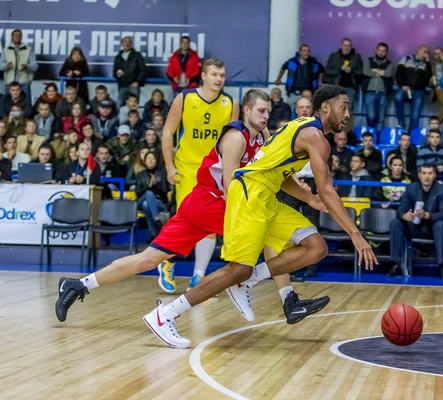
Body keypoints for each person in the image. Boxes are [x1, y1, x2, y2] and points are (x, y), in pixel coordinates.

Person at [54, 90, 326, 331]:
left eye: (268, 111)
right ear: (246, 110)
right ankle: (270, 292)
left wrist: (306, 196)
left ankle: (79, 285)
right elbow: (232, 185)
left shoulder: (264, 136)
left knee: (147, 259)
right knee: (265, 229)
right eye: (261, 111)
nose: (266, 116)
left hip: (201, 204)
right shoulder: (236, 137)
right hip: (212, 201)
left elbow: (274, 176)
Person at [138, 85, 378, 348]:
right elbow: (327, 189)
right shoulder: (315, 136)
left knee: (315, 246)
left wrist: (308, 199)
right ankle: (165, 315)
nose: (348, 114)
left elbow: (277, 173)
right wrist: (355, 234)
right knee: (237, 269)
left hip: (265, 196)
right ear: (326, 107)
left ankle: (248, 281)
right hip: (249, 194)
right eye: (343, 106)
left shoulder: (300, 126)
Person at [160, 58, 239, 293]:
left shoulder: (230, 103)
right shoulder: (185, 98)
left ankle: (198, 276)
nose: (219, 79)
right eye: (214, 74)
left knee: (211, 224)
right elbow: (167, 133)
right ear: (203, 76)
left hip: (213, 172)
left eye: (222, 75)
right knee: (187, 223)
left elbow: (233, 140)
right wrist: (169, 167)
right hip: (186, 169)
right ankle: (167, 261)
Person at [388, 164, 443, 278]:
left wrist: (427, 215)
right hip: (415, 227)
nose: (427, 177)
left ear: (435, 175)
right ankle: (395, 264)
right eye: (424, 173)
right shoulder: (411, 188)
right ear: (419, 175)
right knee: (396, 223)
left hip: (432, 229)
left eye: (430, 173)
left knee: (440, 224)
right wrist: (405, 215)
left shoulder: (441, 190)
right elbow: (401, 209)